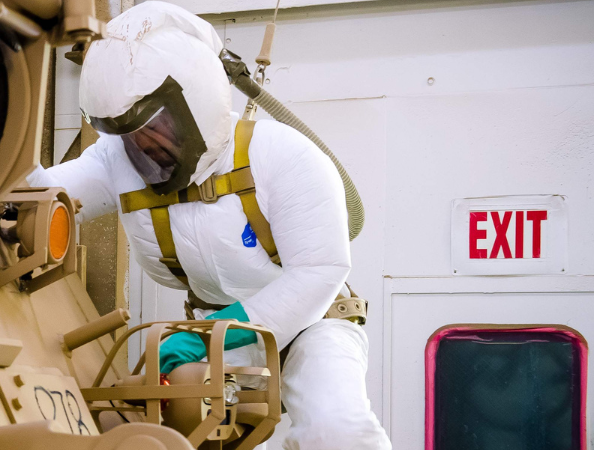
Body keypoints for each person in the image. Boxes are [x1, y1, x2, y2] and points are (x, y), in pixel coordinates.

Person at [27, 2, 392, 449]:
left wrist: (209, 336)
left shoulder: (284, 155)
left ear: (195, 99)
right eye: (125, 133)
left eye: (153, 126)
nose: (142, 147)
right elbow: (39, 194)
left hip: (310, 324)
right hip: (211, 328)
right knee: (152, 424)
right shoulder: (115, 159)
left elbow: (321, 270)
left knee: (336, 430)